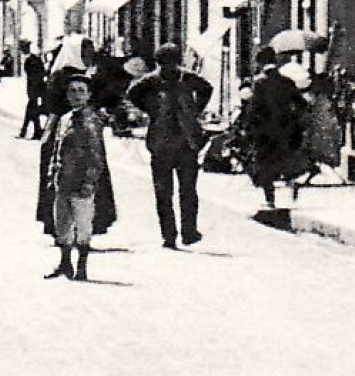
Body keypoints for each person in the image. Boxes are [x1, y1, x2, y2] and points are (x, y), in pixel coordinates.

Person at [126, 43, 214, 249]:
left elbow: (206, 89)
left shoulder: (186, 78)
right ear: (159, 63)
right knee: (166, 192)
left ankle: (187, 232)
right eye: (166, 63)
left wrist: (195, 110)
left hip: (184, 142)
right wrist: (151, 110)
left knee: (186, 190)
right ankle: (170, 234)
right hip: (164, 142)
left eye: (172, 63)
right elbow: (132, 93)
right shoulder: (152, 81)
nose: (169, 68)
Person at [38, 73, 115, 281]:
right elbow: (56, 148)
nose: (77, 95)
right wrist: (52, 173)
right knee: (62, 224)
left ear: (89, 95)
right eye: (72, 91)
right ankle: (65, 264)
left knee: (82, 225)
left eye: (81, 91)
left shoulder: (92, 121)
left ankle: (82, 267)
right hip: (63, 180)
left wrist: (90, 181)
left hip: (82, 181)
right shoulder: (64, 119)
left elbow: (97, 155)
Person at [241, 47, 314, 209]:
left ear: (260, 63)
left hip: (265, 132)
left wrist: (249, 127)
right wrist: (294, 120)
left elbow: (254, 109)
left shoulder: (259, 83)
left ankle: (270, 199)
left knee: (264, 164)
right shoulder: (287, 82)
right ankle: (291, 182)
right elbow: (302, 104)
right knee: (284, 160)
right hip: (286, 130)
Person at [18, 41, 47, 140]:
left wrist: (36, 85)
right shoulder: (34, 58)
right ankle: (35, 130)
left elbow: (37, 74)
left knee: (31, 109)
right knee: (31, 109)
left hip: (35, 88)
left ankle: (27, 131)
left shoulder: (31, 59)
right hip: (35, 87)